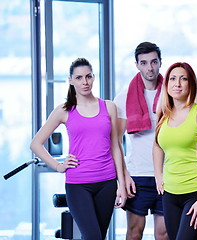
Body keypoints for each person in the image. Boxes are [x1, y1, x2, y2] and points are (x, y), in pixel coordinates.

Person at [30, 58, 127, 240]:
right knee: (92, 237)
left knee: (98, 236)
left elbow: (115, 145)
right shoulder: (64, 110)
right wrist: (59, 167)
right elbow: (36, 143)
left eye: (88, 77)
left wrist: (121, 183)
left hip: (107, 183)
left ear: (93, 77)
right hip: (78, 184)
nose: (85, 82)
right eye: (79, 77)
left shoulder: (109, 107)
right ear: (71, 80)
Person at [153, 62, 197, 240]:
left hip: (196, 192)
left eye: (183, 79)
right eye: (173, 79)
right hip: (170, 194)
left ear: (191, 84)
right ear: (166, 85)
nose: (178, 84)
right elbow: (157, 145)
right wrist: (158, 175)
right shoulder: (163, 114)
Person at [113, 42, 168, 240]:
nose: (150, 68)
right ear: (137, 65)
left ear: (160, 62)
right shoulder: (124, 98)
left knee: (164, 233)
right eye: (144, 63)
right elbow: (116, 142)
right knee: (134, 232)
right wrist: (124, 176)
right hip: (138, 174)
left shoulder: (171, 94)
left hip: (167, 173)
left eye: (154, 62)